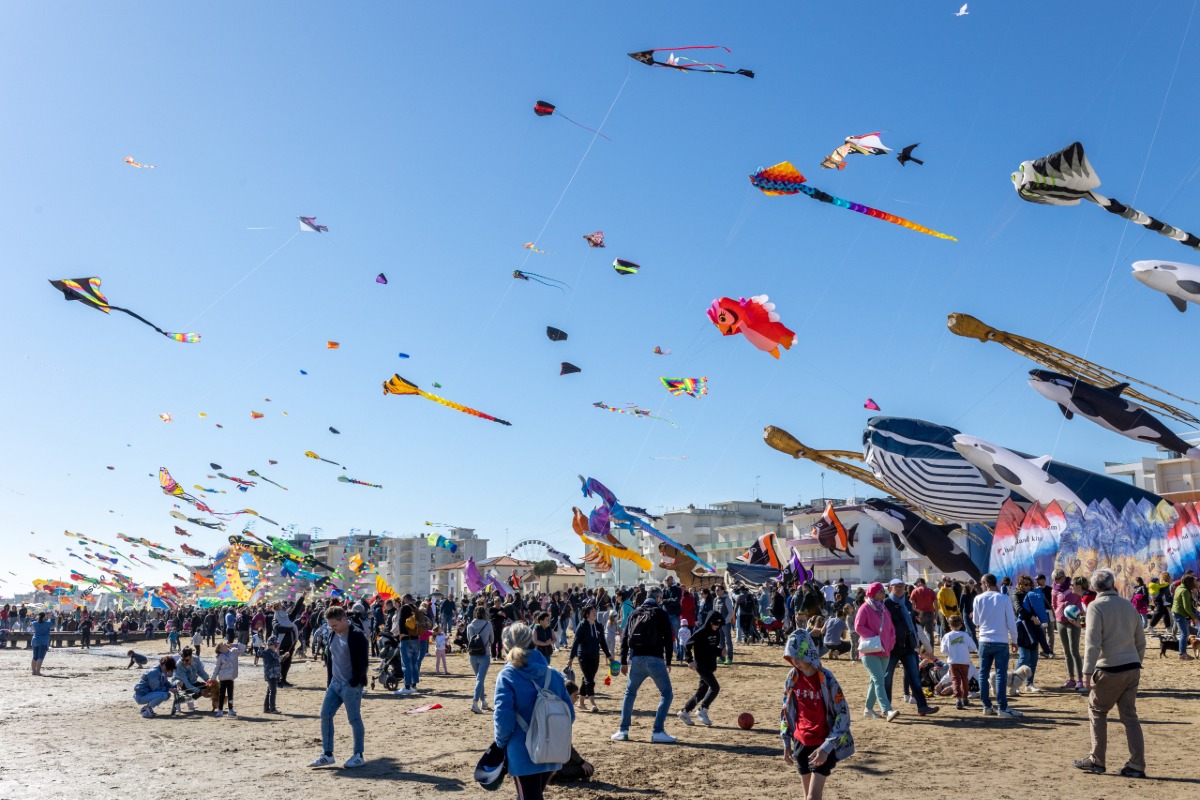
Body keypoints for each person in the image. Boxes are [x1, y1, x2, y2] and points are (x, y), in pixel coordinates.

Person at [1073, 568, 1147, 779]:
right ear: (1113, 584)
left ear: (1094, 587)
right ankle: (1137, 764)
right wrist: (1135, 661)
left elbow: (1092, 643)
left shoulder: (1096, 606)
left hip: (1109, 668)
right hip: (1132, 667)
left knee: (1097, 710)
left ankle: (1097, 759)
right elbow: (1141, 641)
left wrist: (1086, 672)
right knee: (1130, 717)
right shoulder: (1128, 605)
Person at [493, 623, 575, 800]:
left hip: (522, 752)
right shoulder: (553, 675)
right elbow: (570, 714)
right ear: (532, 642)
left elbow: (503, 718)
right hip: (551, 751)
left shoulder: (507, 676)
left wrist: (500, 744)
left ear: (506, 646)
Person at [780, 627, 854, 800]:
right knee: (808, 797)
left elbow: (843, 714)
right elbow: (785, 710)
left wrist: (827, 748)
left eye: (799, 656)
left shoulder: (826, 678)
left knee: (813, 797)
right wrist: (786, 742)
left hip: (824, 741)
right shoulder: (792, 677)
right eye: (791, 656)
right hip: (801, 741)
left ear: (809, 654)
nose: (795, 661)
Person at [612, 588, 677, 743]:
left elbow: (625, 637)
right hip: (655, 658)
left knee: (630, 693)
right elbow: (668, 639)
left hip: (636, 659)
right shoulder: (660, 613)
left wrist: (623, 661)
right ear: (658, 598)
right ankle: (658, 730)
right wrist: (668, 660)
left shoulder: (635, 612)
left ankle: (623, 730)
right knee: (667, 693)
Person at [310, 605, 368, 769]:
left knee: (354, 719)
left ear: (344, 620)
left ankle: (358, 755)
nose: (332, 628)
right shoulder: (332, 633)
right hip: (335, 684)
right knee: (325, 715)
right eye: (330, 625)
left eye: (334, 625)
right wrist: (329, 681)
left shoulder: (358, 636)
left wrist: (354, 681)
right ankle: (327, 754)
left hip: (351, 686)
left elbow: (363, 663)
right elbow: (330, 658)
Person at [883, 580, 939, 716]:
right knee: (887, 678)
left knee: (914, 677)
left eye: (902, 587)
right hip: (892, 647)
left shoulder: (907, 603)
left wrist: (918, 642)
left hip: (908, 646)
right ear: (890, 588)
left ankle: (922, 707)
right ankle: (887, 708)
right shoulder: (886, 604)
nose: (900, 589)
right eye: (897, 587)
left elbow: (913, 623)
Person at [973, 573, 1021, 717]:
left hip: (984, 639)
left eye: (982, 583)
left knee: (983, 674)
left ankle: (986, 706)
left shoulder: (978, 598)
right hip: (1000, 640)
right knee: (1001, 674)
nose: (981, 586)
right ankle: (1002, 707)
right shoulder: (1004, 598)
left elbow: (975, 621)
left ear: (986, 583)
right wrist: (1014, 640)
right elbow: (1011, 621)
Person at [854, 582, 898, 722]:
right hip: (870, 650)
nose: (883, 593)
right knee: (879, 680)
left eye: (883, 591)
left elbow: (891, 627)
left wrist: (891, 641)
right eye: (880, 591)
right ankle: (887, 710)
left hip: (885, 650)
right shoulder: (865, 607)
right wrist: (874, 638)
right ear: (872, 593)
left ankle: (868, 709)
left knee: (875, 681)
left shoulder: (883, 608)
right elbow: (858, 627)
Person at [678, 609, 724, 727]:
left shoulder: (717, 632)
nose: (717, 626)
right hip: (701, 665)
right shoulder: (701, 632)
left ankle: (685, 712)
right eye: (715, 624)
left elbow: (712, 648)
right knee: (715, 687)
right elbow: (687, 645)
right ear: (709, 622)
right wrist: (689, 660)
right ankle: (702, 709)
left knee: (702, 691)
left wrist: (720, 652)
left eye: (719, 625)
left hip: (710, 665)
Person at [566, 604, 611, 713]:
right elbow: (575, 642)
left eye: (595, 611)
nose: (595, 613)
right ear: (587, 614)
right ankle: (593, 703)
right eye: (592, 611)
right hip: (583, 656)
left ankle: (581, 703)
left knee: (587, 679)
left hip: (595, 656)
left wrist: (608, 655)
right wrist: (571, 658)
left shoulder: (599, 626)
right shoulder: (582, 626)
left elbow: (603, 642)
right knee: (589, 679)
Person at [551, 682, 596, 784]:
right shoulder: (563, 714)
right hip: (555, 758)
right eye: (575, 696)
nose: (577, 699)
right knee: (588, 769)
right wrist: (581, 762)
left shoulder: (555, 709)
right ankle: (553, 773)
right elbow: (565, 745)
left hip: (550, 756)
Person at [939, 615, 977, 710]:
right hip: (965, 661)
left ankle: (958, 699)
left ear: (949, 625)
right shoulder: (965, 635)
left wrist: (950, 652)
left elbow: (943, 650)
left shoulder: (947, 636)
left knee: (955, 680)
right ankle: (965, 698)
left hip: (953, 661)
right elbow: (973, 647)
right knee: (964, 680)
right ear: (961, 625)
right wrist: (966, 649)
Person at [465, 606, 494, 714]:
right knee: (480, 680)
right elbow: (492, 640)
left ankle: (483, 702)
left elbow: (469, 640)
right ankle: (475, 702)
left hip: (473, 655)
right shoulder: (488, 624)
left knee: (479, 679)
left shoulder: (470, 626)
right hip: (484, 654)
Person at [1171, 574, 1197, 660]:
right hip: (1179, 614)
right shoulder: (1185, 591)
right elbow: (1187, 607)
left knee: (1185, 633)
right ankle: (1182, 654)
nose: (1195, 583)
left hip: (1177, 612)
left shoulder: (1179, 587)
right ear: (1189, 582)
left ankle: (1182, 653)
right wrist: (1194, 618)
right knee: (1184, 634)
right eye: (1193, 582)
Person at [174, 647, 209, 712]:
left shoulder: (196, 659)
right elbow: (186, 684)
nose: (184, 662)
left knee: (208, 687)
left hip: (193, 682)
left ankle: (190, 700)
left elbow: (201, 672)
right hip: (183, 684)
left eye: (187, 660)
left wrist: (208, 680)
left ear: (191, 656)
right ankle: (178, 701)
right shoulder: (179, 665)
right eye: (183, 659)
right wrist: (199, 691)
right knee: (179, 683)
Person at [909, 578, 937, 646]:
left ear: (919, 583)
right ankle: (931, 650)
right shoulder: (931, 591)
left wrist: (917, 613)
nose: (916, 586)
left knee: (919, 633)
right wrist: (936, 615)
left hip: (919, 615)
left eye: (916, 584)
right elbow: (936, 605)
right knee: (930, 633)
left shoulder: (915, 591)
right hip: (930, 613)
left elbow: (912, 606)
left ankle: (919, 649)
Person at [262, 636, 282, 714]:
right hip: (270, 675)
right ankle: (272, 709)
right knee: (273, 691)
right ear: (270, 644)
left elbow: (278, 661)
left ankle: (266, 708)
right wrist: (277, 655)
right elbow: (271, 662)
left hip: (275, 675)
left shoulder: (274, 652)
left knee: (269, 691)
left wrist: (284, 656)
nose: (276, 646)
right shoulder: (266, 653)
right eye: (275, 644)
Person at [29, 612, 52, 676]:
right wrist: (51, 617)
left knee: (35, 657)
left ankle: (34, 671)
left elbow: (30, 625)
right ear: (44, 617)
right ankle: (38, 671)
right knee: (40, 657)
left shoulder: (34, 623)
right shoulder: (47, 623)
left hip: (35, 640)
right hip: (43, 641)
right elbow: (53, 624)